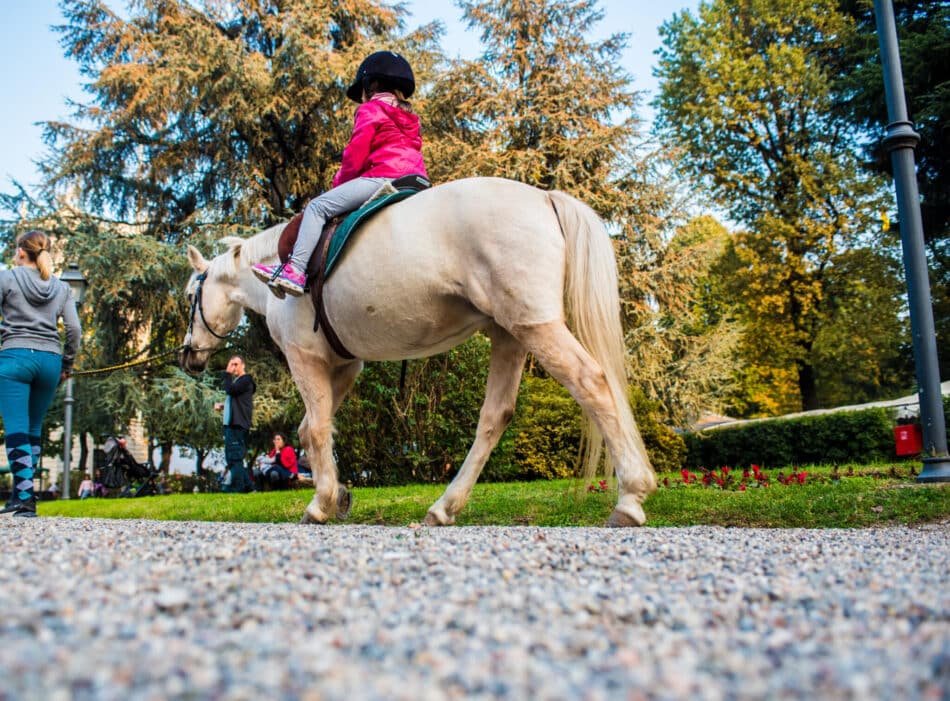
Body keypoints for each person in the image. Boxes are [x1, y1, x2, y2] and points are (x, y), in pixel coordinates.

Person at [252, 50, 428, 297]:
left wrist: (338, 185)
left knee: (317, 207)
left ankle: (295, 269)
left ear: (370, 85)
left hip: (385, 176)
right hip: (418, 180)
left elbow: (355, 156)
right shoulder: (409, 117)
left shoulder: (371, 109)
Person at [0, 230, 81, 517]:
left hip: (15, 359)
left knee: (16, 429)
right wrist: (67, 365)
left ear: (22, 251)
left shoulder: (7, 278)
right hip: (50, 361)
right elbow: (74, 330)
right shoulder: (61, 288)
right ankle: (18, 496)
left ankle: (25, 499)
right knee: (33, 430)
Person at [217, 355, 255, 493]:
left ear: (243, 365)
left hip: (237, 425)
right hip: (232, 425)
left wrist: (227, 373)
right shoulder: (239, 382)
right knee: (233, 458)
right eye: (231, 364)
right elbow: (236, 400)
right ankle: (249, 488)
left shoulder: (246, 379)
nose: (233, 367)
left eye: (236, 364)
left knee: (234, 457)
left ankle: (239, 488)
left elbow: (230, 390)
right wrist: (223, 406)